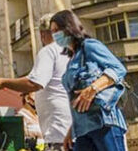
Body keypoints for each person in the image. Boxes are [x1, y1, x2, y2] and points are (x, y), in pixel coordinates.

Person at [0, 13, 72, 150]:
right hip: (73, 129)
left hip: (59, 132)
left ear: (43, 34)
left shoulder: (49, 51)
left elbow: (34, 83)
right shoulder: (69, 53)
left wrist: (3, 82)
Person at [49, 10, 127, 151]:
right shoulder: (71, 60)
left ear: (69, 27)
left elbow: (118, 69)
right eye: (52, 31)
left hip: (103, 122)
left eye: (57, 30)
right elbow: (77, 101)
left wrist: (92, 89)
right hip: (82, 130)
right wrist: (70, 132)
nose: (54, 35)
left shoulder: (89, 46)